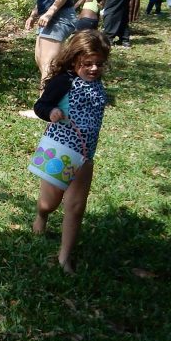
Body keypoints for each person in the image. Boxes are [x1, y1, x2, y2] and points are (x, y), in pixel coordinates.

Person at [31, 30, 110, 274]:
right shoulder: (64, 81)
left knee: (76, 207)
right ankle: (41, 216)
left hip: (85, 156)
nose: (94, 69)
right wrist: (51, 111)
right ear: (74, 60)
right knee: (49, 203)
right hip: (60, 150)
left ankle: (64, 257)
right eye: (87, 64)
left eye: (98, 63)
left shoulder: (96, 83)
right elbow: (40, 105)